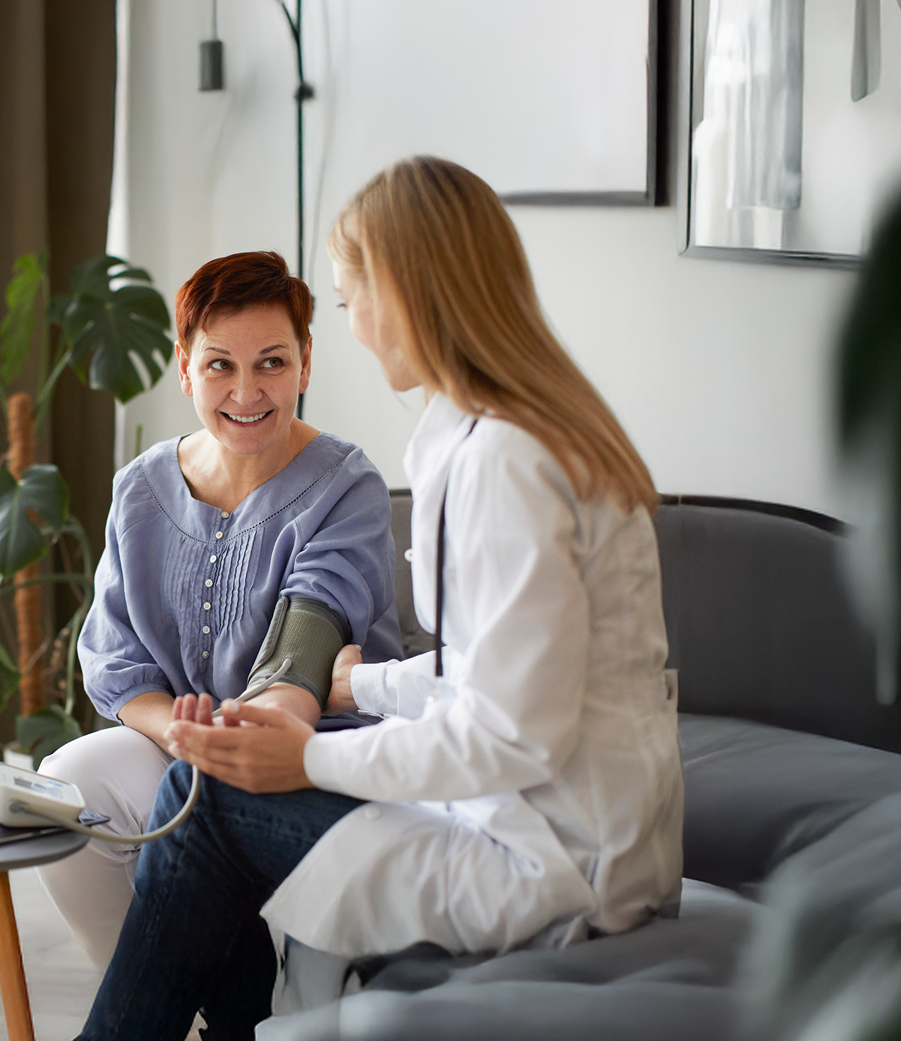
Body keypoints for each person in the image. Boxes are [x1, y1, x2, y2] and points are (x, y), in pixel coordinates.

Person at [76, 156, 684, 1040]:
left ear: (405, 294)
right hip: (561, 828)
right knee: (192, 796)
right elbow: (512, 671)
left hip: (552, 862)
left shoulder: (503, 462)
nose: (355, 324)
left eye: (352, 296)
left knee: (199, 805)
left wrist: (309, 759)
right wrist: (367, 688)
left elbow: (514, 732)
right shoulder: (515, 431)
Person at [35, 250, 401, 970]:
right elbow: (115, 657)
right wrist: (179, 732)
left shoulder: (346, 484)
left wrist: (238, 738)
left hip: (311, 750)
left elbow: (311, 635)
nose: (246, 391)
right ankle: (173, 1005)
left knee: (205, 806)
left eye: (271, 363)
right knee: (66, 785)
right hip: (179, 743)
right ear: (183, 365)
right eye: (219, 366)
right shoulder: (141, 488)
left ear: (304, 364)